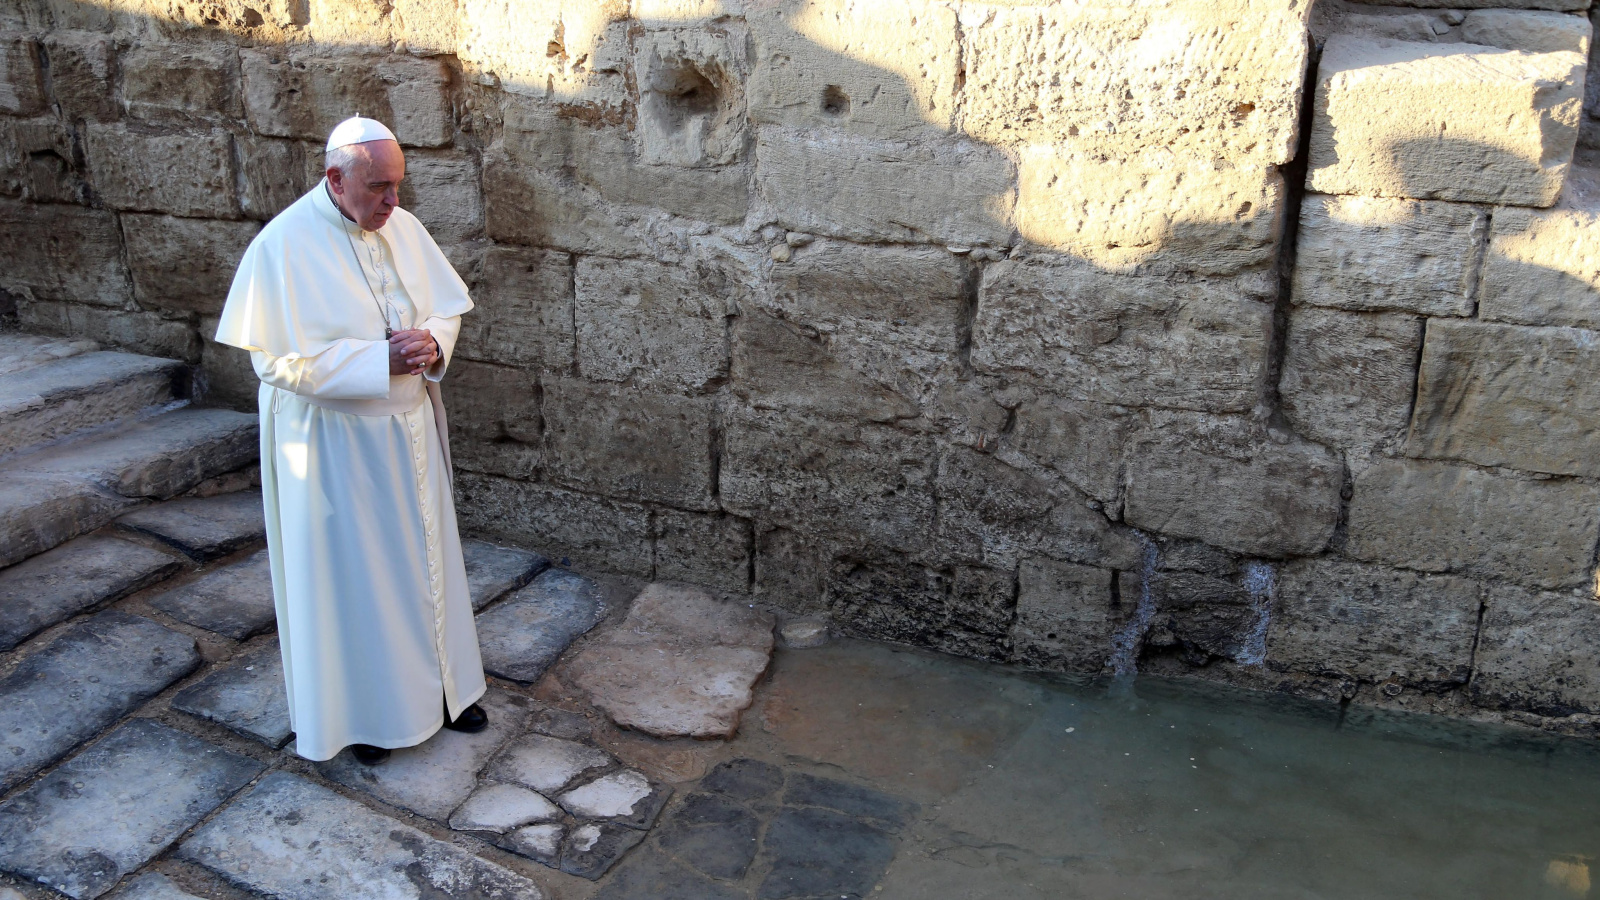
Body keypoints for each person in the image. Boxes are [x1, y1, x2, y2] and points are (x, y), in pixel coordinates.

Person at [216, 116, 487, 766]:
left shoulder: (403, 226)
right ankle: (369, 715)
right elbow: (275, 364)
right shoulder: (282, 248)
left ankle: (450, 690)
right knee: (360, 584)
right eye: (378, 189)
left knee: (429, 566)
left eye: (398, 186)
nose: (392, 203)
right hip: (337, 450)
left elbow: (446, 307)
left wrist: (433, 342)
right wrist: (377, 363)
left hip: (410, 435)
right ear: (335, 179)